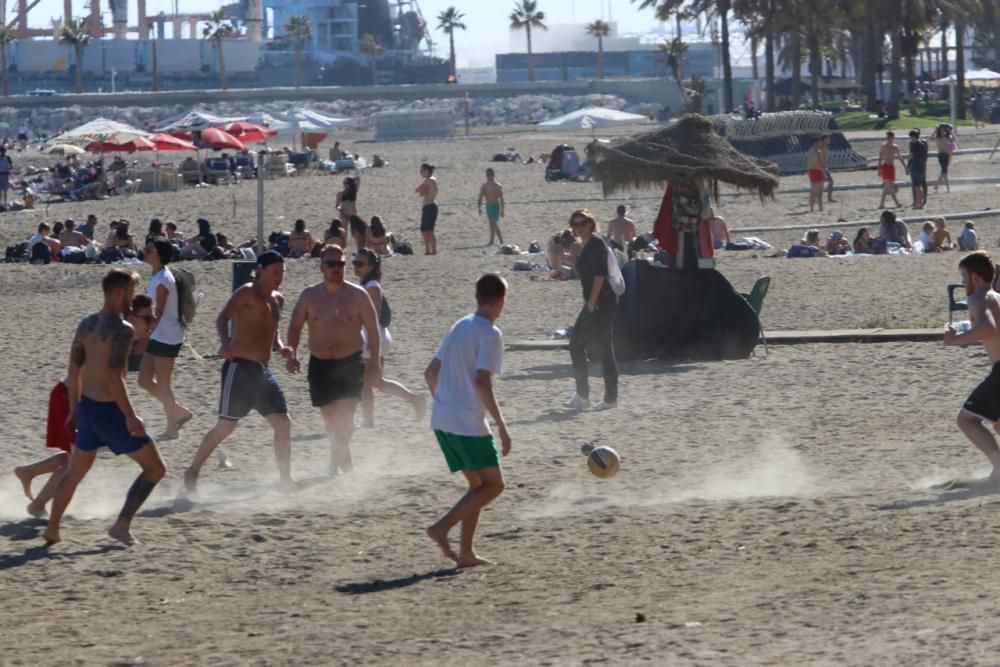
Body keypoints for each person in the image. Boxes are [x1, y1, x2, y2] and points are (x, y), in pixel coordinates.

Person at [42, 269, 167, 546]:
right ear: (118, 293)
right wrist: (131, 416)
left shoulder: (86, 324)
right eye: (131, 293)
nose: (132, 301)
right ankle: (121, 526)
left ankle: (52, 529)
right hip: (110, 413)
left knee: (74, 473)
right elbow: (114, 377)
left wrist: (75, 409)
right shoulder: (123, 330)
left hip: (87, 408)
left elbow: (73, 371)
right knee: (155, 469)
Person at [182, 251, 294, 496]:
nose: (279, 277)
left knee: (283, 423)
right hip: (240, 367)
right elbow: (222, 318)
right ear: (261, 270)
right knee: (226, 427)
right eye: (275, 272)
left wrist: (282, 348)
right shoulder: (246, 292)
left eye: (282, 272)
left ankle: (285, 479)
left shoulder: (278, 299)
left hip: (263, 371)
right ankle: (193, 470)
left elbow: (273, 333)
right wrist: (225, 343)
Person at [424, 273, 511, 568]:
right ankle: (441, 528)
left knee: (476, 486)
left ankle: (466, 553)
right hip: (466, 423)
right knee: (494, 486)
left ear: (477, 297)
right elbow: (482, 381)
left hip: (442, 419)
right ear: (501, 301)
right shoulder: (490, 333)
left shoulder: (458, 325)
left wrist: (444, 401)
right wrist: (501, 424)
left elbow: (430, 373)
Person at [286, 245, 381, 475]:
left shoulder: (358, 295)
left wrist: (375, 362)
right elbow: (296, 324)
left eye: (340, 264)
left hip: (349, 362)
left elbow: (373, 329)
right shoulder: (310, 295)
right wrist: (292, 353)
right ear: (321, 267)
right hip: (320, 364)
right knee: (329, 419)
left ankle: (337, 467)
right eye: (331, 264)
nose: (336, 268)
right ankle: (342, 462)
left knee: (345, 418)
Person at [352, 248, 425, 427]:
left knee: (365, 381)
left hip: (372, 337)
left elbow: (372, 316)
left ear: (371, 267)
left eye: (360, 264)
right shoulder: (366, 285)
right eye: (355, 262)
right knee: (375, 381)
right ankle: (414, 399)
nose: (356, 267)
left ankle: (368, 420)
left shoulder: (372, 287)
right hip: (372, 337)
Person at [946, 252, 1000, 479]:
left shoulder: (978, 297)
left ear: (976, 277)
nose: (962, 281)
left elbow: (987, 327)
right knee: (998, 424)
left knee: (966, 419)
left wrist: (954, 340)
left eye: (964, 275)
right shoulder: (997, 296)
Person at [139, 237, 193, 440]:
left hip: (167, 336)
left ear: (159, 255)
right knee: (144, 380)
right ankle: (179, 411)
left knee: (163, 384)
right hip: (159, 334)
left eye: (149, 250)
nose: (145, 252)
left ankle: (172, 428)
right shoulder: (157, 275)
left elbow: (159, 313)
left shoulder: (163, 280)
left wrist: (145, 333)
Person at [565, 209, 618, 412]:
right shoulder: (588, 244)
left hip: (599, 303)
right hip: (597, 302)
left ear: (591, 223)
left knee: (580, 345)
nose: (580, 227)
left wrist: (591, 303)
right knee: (600, 347)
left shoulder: (595, 242)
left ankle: (588, 396)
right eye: (576, 224)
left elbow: (600, 275)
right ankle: (592, 396)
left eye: (584, 223)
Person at [877, 131, 907, 209]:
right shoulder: (883, 146)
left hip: (891, 167)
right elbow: (880, 158)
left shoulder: (895, 147)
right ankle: (896, 203)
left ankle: (882, 204)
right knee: (888, 186)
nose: (889, 139)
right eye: (888, 137)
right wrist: (879, 168)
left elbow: (900, 157)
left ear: (893, 138)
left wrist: (905, 166)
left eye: (890, 137)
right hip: (885, 167)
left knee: (889, 186)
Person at [477, 168, 505, 246]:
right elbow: (480, 197)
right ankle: (492, 241)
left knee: (493, 222)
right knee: (491, 223)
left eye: (490, 174)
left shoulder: (497, 185)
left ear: (493, 175)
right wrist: (479, 208)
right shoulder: (484, 186)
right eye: (488, 174)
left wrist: (502, 210)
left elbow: (501, 198)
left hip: (496, 206)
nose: (489, 176)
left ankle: (500, 239)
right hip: (488, 206)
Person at [416, 163, 439, 255]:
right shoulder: (431, 180)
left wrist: (423, 189)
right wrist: (424, 190)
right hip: (430, 206)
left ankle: (431, 250)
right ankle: (429, 250)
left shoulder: (429, 180)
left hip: (429, 206)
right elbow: (422, 193)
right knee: (427, 230)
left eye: (422, 170)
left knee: (427, 230)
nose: (420, 172)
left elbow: (418, 190)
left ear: (426, 171)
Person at [907, 129, 929, 210]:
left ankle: (918, 203)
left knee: (916, 186)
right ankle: (921, 202)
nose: (911, 139)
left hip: (916, 166)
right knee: (919, 186)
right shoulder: (923, 144)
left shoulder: (914, 145)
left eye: (911, 137)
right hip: (921, 166)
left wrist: (908, 166)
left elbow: (910, 156)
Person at [806, 134, 829, 212]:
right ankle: (820, 208)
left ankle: (812, 208)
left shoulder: (809, 151)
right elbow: (821, 164)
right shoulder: (818, 151)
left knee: (813, 191)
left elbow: (809, 163)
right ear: (817, 142)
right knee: (819, 192)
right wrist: (824, 173)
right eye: (819, 142)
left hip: (811, 171)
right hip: (818, 171)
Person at [932, 124, 957, 193]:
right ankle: (947, 187)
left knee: (944, 170)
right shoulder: (938, 138)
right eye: (941, 130)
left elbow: (954, 139)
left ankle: (938, 185)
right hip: (940, 155)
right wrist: (935, 131)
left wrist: (951, 131)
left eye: (944, 130)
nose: (943, 131)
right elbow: (931, 138)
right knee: (944, 172)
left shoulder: (948, 137)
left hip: (947, 155)